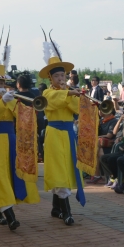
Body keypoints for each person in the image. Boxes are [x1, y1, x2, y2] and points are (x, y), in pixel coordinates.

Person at [0, 56, 40, 230]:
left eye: (1, 84)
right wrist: (2, 102)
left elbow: (21, 115)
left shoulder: (9, 98)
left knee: (8, 174)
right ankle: (11, 216)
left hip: (10, 140)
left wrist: (22, 103)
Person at [40, 40, 84, 226]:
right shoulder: (47, 94)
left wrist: (72, 94)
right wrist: (68, 93)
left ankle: (56, 207)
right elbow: (54, 101)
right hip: (55, 134)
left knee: (67, 169)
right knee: (59, 171)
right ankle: (66, 212)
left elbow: (75, 109)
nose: (60, 78)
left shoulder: (66, 91)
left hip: (68, 134)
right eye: (57, 76)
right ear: (50, 79)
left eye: (63, 75)